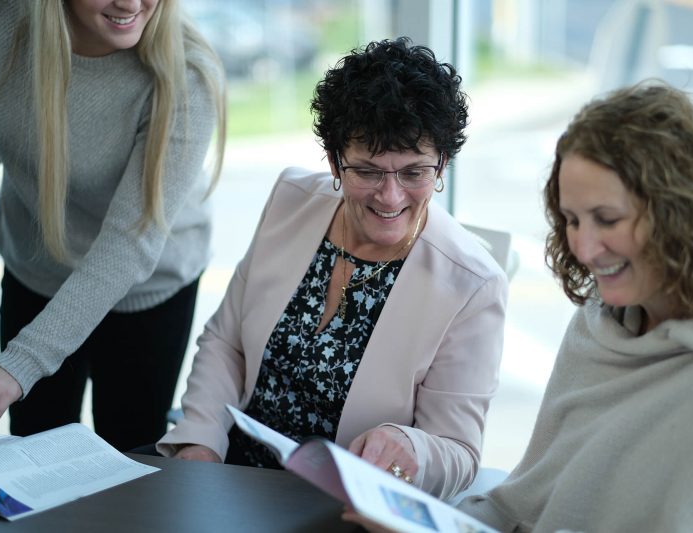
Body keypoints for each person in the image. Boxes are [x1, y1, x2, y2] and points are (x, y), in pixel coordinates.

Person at [347, 80, 693, 532]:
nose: (586, 248)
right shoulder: (597, 324)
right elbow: (524, 505)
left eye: (607, 220)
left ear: (685, 213)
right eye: (572, 220)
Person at [156, 37, 508, 500]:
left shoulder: (472, 284)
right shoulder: (291, 199)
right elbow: (227, 343)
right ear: (334, 164)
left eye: (413, 172)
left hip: (343, 505)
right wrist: (200, 444)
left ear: (441, 165)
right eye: (368, 171)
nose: (391, 196)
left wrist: (410, 447)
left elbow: (459, 452)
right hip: (232, 474)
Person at [0, 0, 226, 452]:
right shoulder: (0, 9)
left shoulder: (187, 75)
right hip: (36, 266)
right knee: (33, 448)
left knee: (129, 456)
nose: (131, 4)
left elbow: (128, 244)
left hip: (145, 290)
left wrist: (22, 362)